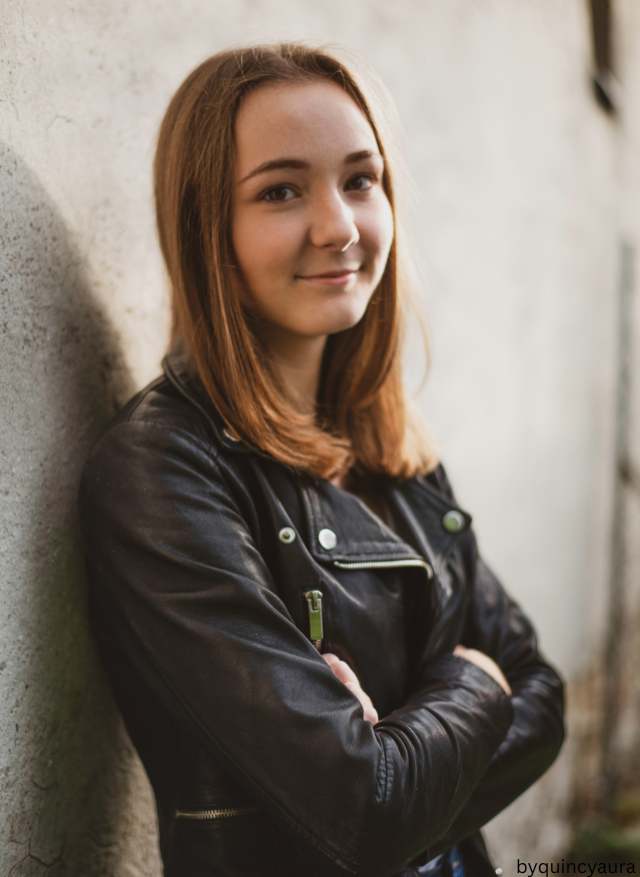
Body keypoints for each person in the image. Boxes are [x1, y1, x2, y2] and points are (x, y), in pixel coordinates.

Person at [77, 41, 566, 877]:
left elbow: (546, 694)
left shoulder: (389, 450)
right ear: (207, 229)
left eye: (361, 179)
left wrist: (407, 749)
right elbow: (369, 808)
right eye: (279, 190)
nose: (338, 225)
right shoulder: (163, 473)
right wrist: (475, 681)